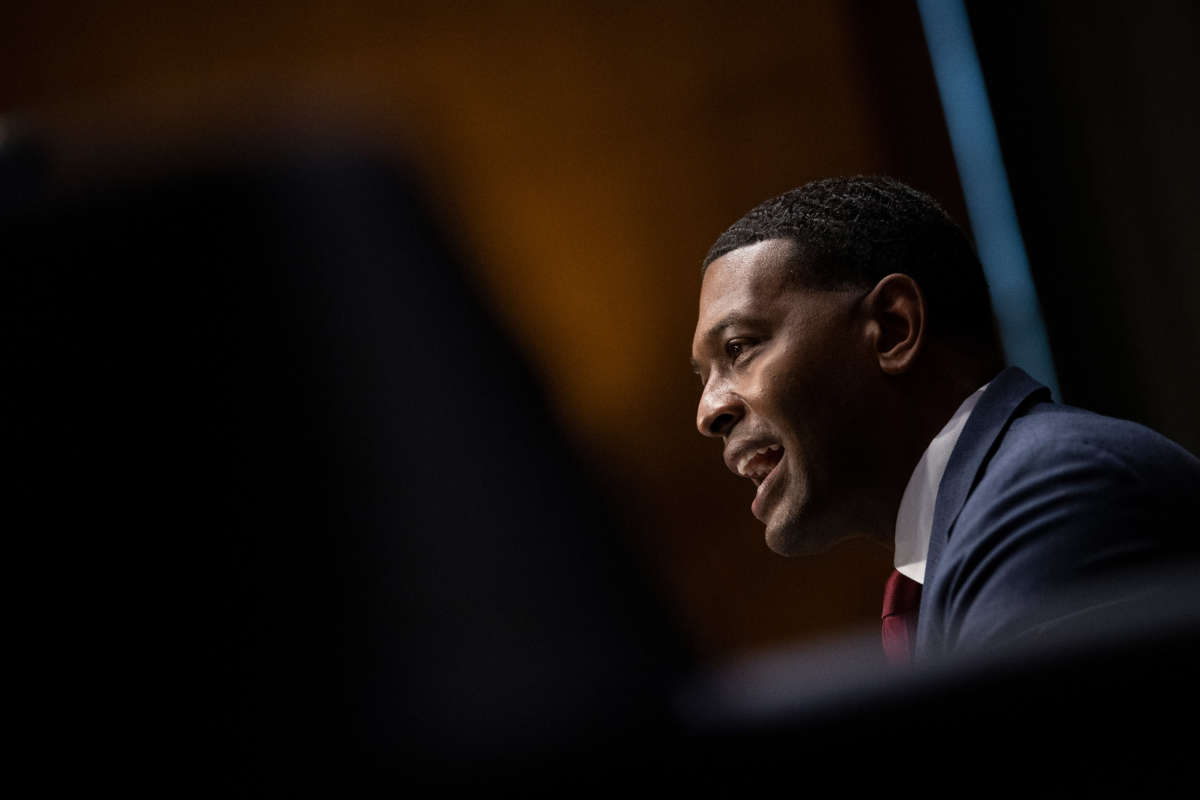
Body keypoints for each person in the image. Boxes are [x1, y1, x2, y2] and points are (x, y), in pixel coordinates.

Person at [690, 176, 1200, 663]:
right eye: (703, 377)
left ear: (893, 328)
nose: (708, 412)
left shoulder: (1052, 491)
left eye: (740, 347)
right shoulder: (967, 536)